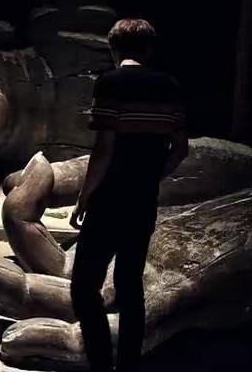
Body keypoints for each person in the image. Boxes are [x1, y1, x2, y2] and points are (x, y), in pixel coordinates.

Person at [69, 19, 188, 372]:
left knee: (84, 286)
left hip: (109, 199)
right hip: (143, 199)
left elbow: (104, 150)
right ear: (149, 49)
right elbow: (180, 149)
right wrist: (152, 176)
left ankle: (101, 363)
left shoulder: (111, 83)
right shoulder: (170, 87)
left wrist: (84, 197)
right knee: (129, 286)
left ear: (113, 48)